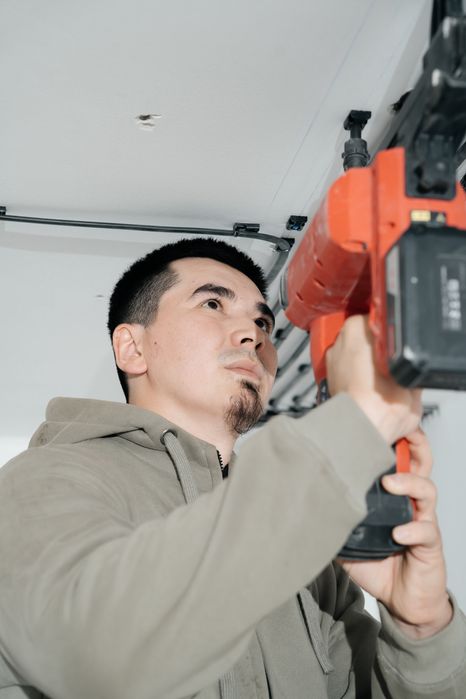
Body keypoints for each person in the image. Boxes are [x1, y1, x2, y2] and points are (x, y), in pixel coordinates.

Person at [0, 237, 464, 699]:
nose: (253, 334)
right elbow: (100, 661)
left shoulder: (307, 548)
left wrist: (421, 630)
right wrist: (352, 427)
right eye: (212, 304)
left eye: (262, 321)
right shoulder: (41, 484)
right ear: (132, 348)